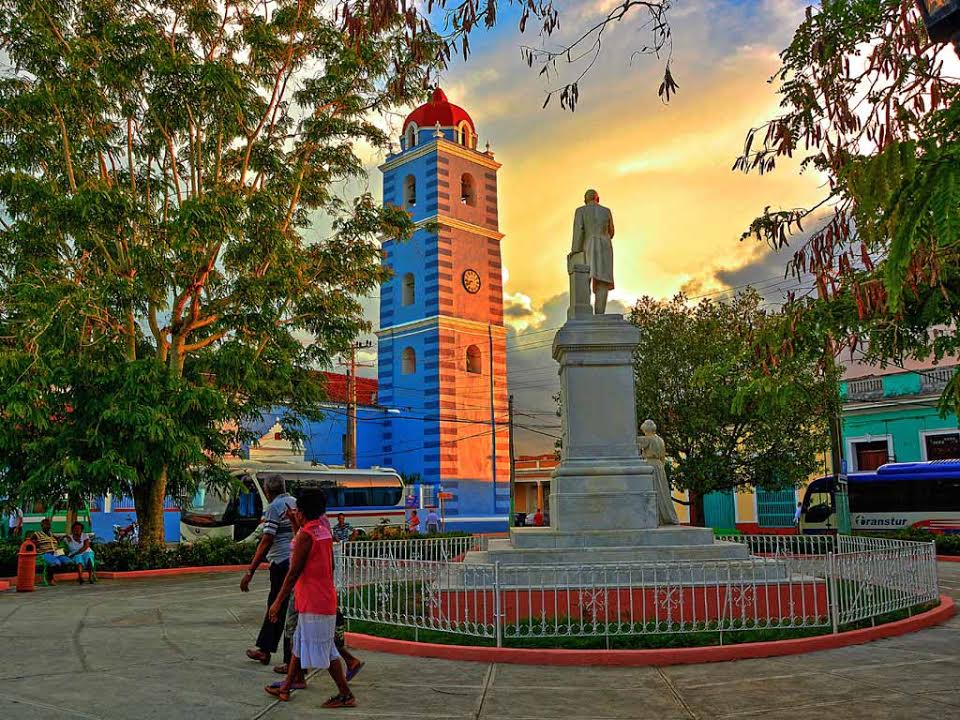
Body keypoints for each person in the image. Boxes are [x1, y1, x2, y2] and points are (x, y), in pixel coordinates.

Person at [265, 490, 356, 707]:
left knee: (325, 651)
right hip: (321, 597)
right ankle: (287, 686)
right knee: (300, 642)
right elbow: (315, 554)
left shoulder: (307, 535)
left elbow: (293, 572)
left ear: (302, 512)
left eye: (297, 510)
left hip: (314, 601)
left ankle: (346, 694)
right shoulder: (322, 531)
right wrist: (295, 524)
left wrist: (277, 602)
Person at [241, 474, 297, 666]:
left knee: (276, 606)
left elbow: (266, 540)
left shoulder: (273, 508)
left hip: (281, 562)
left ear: (267, 491)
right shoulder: (295, 502)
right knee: (288, 608)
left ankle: (270, 652)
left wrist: (250, 571)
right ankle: (272, 651)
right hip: (294, 559)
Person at [570, 189, 615, 314]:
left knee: (585, 278)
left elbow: (578, 232)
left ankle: (585, 313)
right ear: (598, 199)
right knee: (603, 281)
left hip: (588, 245)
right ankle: (600, 313)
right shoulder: (606, 211)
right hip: (606, 246)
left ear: (585, 200)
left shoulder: (581, 211)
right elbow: (611, 232)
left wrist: (575, 251)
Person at [637, 419, 680, 525]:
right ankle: (664, 516)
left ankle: (655, 517)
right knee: (662, 492)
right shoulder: (660, 439)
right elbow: (663, 457)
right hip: (659, 466)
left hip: (651, 466)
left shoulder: (648, 439)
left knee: (653, 491)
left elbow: (632, 441)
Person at [32, 518, 74, 585]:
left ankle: (50, 574)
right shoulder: (37, 534)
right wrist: (36, 545)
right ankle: (50, 578)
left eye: (49, 524)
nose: (48, 526)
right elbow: (31, 542)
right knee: (56, 563)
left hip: (55, 553)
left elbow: (58, 539)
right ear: (42, 526)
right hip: (44, 553)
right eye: (46, 525)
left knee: (69, 562)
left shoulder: (51, 534)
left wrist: (65, 536)